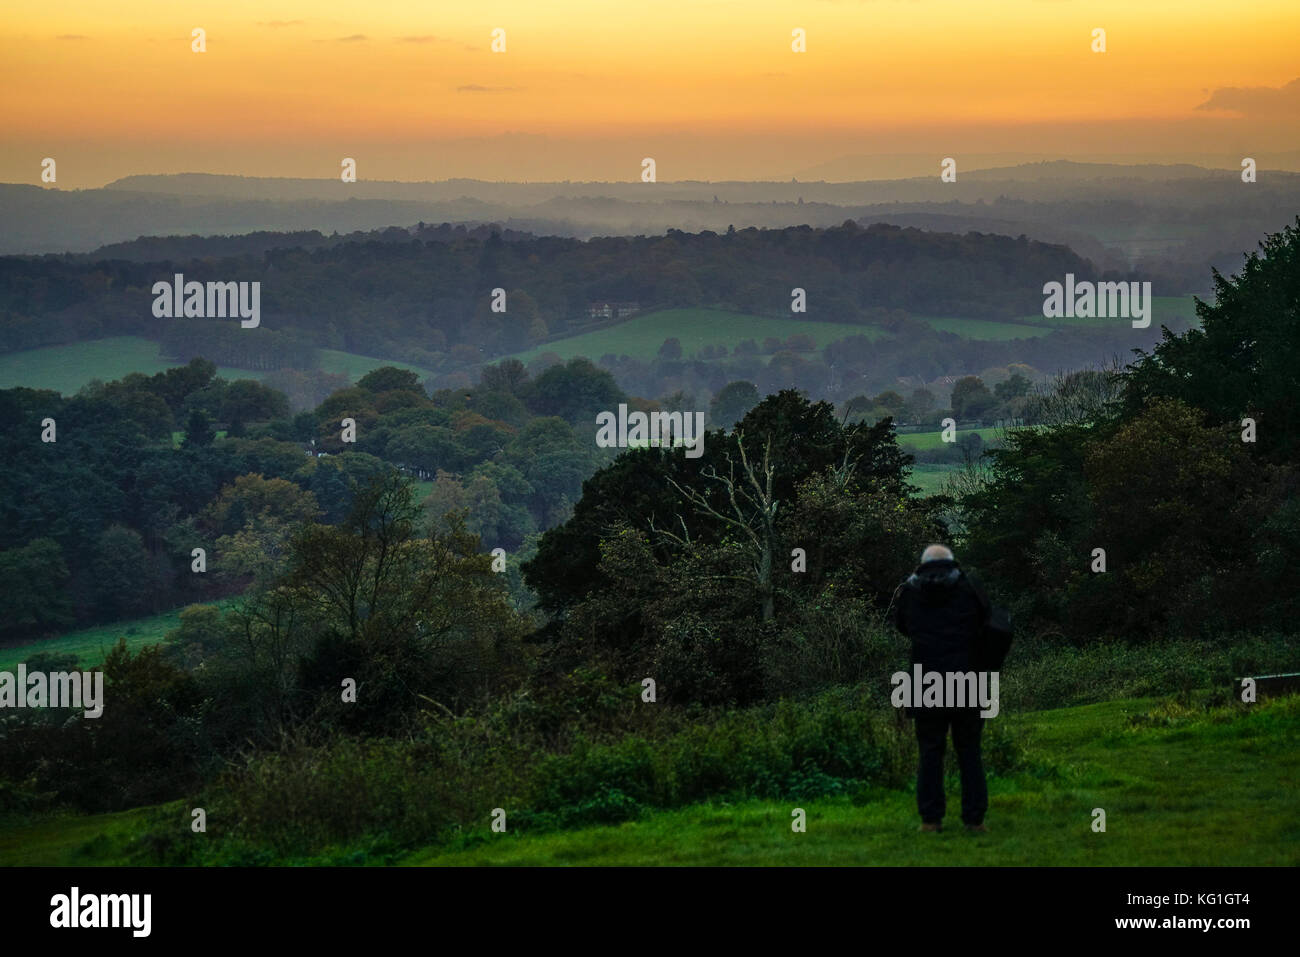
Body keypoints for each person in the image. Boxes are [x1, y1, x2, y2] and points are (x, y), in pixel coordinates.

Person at [891, 544, 990, 833]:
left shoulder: (910, 591)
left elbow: (902, 626)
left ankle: (930, 820)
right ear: (951, 562)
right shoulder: (969, 585)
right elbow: (986, 619)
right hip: (967, 677)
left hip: (925, 680)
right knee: (969, 750)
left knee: (930, 751)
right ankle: (975, 820)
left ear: (923, 565)